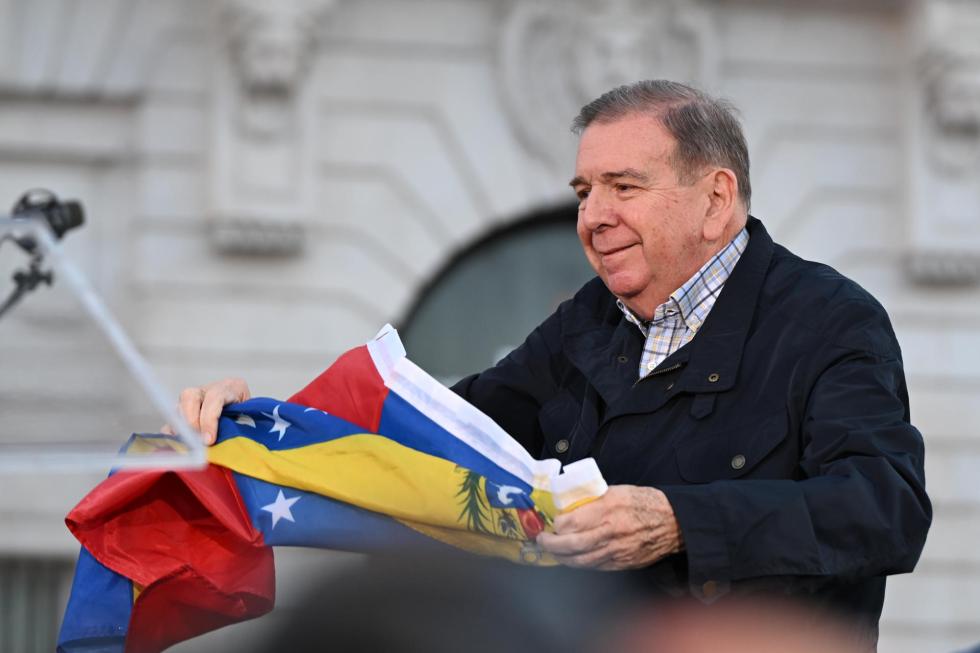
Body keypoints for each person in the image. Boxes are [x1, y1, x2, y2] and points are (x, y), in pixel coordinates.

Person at [174, 80, 931, 634]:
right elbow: (433, 431)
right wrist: (263, 424)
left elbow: (884, 508)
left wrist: (680, 521)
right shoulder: (584, 324)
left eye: (624, 186)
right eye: (583, 190)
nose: (593, 216)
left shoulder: (833, 320)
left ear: (715, 198)